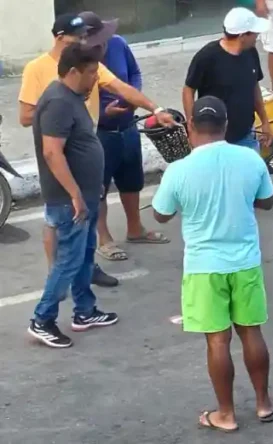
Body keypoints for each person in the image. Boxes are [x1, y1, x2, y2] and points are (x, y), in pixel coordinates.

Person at [151, 95, 273, 432]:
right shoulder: (249, 159)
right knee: (251, 332)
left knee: (217, 341)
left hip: (203, 267)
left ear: (190, 126)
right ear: (226, 126)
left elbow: (161, 215)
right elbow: (267, 201)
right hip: (245, 262)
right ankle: (264, 404)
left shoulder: (178, 170)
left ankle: (226, 414)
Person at [19, 12, 176, 286]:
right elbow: (24, 116)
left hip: (88, 149)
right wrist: (59, 112)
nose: (84, 41)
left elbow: (122, 87)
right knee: (57, 216)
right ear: (60, 38)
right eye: (78, 37)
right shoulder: (37, 69)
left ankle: (87, 268)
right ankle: (57, 277)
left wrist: (156, 109)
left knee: (88, 211)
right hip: (60, 152)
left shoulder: (86, 62)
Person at [28, 44, 120, 348]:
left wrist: (91, 187)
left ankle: (84, 311)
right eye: (91, 72)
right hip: (69, 200)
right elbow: (52, 152)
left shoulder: (72, 98)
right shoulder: (58, 102)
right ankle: (42, 319)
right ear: (72, 72)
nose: (96, 78)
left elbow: (79, 143)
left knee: (84, 254)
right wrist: (75, 194)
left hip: (84, 194)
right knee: (68, 260)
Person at [96, 16, 171, 262]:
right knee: (99, 187)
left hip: (127, 125)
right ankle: (104, 238)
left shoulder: (119, 44)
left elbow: (135, 74)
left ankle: (135, 228)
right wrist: (103, 112)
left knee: (131, 180)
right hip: (100, 131)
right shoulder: (83, 59)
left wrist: (133, 96)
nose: (104, 42)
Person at [183, 7, 272, 153]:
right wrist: (192, 126)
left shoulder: (251, 53)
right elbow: (188, 90)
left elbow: (254, 87)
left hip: (246, 135)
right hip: (213, 141)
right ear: (242, 36)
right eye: (254, 32)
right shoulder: (206, 57)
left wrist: (265, 121)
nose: (257, 36)